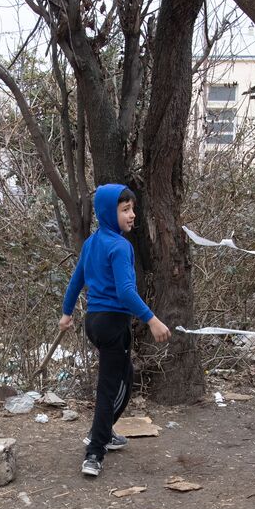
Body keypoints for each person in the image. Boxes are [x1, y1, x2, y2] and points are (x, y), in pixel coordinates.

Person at [59, 184, 171, 478]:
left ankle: (102, 433)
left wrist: (67, 313)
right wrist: (152, 319)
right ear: (110, 212)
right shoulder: (121, 247)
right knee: (110, 387)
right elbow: (125, 292)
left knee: (125, 377)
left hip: (94, 322)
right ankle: (95, 452)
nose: (132, 215)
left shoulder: (93, 242)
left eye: (132, 209)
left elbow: (75, 282)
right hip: (112, 324)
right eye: (125, 210)